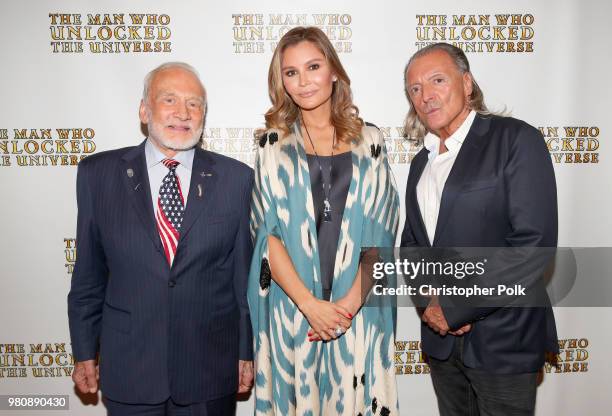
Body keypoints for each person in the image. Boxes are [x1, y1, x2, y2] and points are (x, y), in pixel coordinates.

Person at [67, 62, 254, 416]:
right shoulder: (97, 175)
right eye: (169, 99)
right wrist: (85, 350)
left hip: (209, 372)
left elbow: (242, 280)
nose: (182, 113)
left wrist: (245, 350)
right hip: (130, 368)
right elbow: (88, 276)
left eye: (194, 103)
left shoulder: (237, 179)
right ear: (144, 109)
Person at [400, 42, 558, 416]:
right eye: (415, 89)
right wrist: (430, 305)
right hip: (441, 344)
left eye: (437, 80)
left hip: (504, 338)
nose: (426, 96)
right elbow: (412, 246)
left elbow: (531, 247)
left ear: (467, 83)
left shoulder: (515, 140)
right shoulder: (421, 162)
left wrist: (455, 308)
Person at [248, 27, 399, 415]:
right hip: (293, 314)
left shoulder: (371, 142)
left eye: (313, 66)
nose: (303, 81)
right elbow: (268, 239)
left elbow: (381, 236)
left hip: (359, 312)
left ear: (333, 70)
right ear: (280, 81)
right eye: (291, 72)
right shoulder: (272, 147)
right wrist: (310, 306)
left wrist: (345, 308)